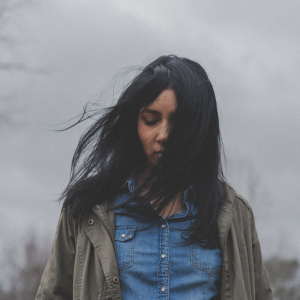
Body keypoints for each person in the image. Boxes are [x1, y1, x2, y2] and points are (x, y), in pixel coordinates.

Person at [36, 55, 273, 300]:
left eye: (179, 123)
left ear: (200, 126)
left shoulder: (233, 213)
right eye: (151, 120)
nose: (163, 135)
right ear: (134, 122)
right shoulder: (87, 209)